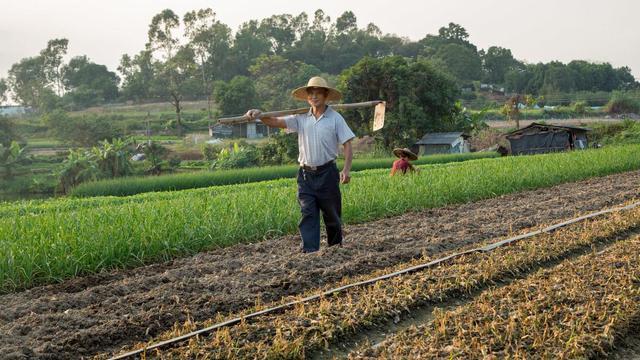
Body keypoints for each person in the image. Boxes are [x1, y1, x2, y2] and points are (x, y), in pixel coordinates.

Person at [245, 76, 355, 253]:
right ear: (307, 97)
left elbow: (347, 144)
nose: (314, 96)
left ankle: (335, 250)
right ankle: (310, 252)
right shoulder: (301, 118)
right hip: (305, 175)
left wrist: (346, 170)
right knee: (308, 213)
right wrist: (259, 114)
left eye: (318, 93)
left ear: (325, 95)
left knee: (331, 215)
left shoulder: (335, 118)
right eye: (311, 93)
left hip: (327, 172)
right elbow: (277, 122)